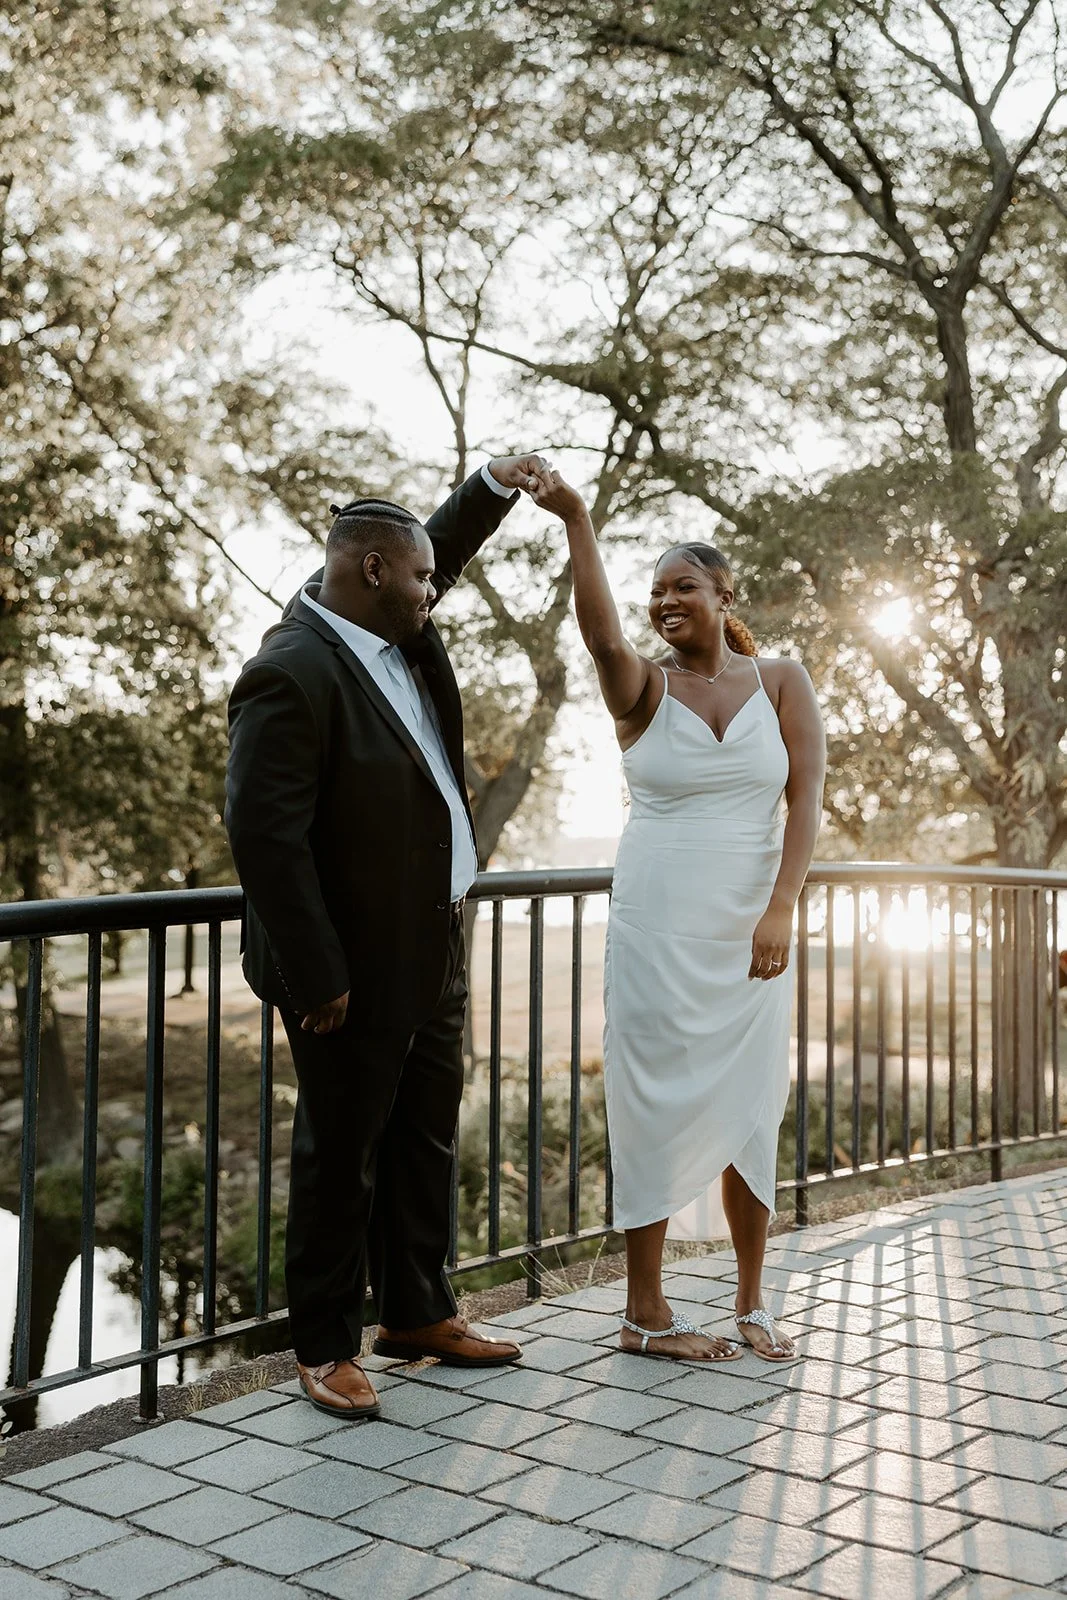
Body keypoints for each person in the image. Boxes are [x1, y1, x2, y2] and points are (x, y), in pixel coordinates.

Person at [225, 456, 548, 1418]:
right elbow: (265, 836)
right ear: (370, 572)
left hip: (433, 946)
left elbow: (432, 546)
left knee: (423, 1139)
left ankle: (416, 1313)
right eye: (417, 577)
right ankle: (323, 1345)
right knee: (340, 1151)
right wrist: (317, 972)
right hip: (347, 970)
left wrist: (491, 485)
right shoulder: (289, 670)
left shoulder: (391, 624)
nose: (432, 588)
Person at [529, 466, 825, 1364]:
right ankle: (644, 1314)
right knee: (650, 1102)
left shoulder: (781, 682)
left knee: (749, 1106)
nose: (664, 602)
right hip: (655, 926)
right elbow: (595, 629)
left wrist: (781, 906)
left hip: (751, 934)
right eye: (655, 590)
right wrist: (577, 518)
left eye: (681, 585)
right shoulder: (639, 688)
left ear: (723, 595)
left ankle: (749, 1300)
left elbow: (805, 803)